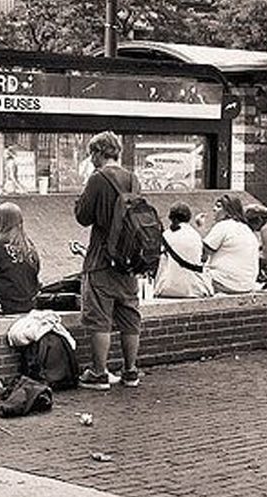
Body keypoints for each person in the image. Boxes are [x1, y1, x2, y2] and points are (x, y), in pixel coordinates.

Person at [74, 131, 141, 391]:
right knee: (129, 315)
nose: (91, 158)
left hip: (101, 259)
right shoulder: (133, 178)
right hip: (129, 261)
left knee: (100, 316)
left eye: (92, 153)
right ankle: (130, 371)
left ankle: (99, 373)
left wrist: (79, 202)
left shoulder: (98, 178)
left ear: (99, 152)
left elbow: (83, 217)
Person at [0, 202, 40, 314]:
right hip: (29, 305)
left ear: (2, 222)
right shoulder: (30, 246)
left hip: (5, 306)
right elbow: (35, 272)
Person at [202, 194, 260, 294]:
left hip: (225, 282)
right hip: (247, 284)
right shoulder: (246, 228)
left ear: (228, 211)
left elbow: (202, 254)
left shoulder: (223, 226)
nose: (214, 209)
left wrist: (201, 227)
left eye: (219, 206)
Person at [154, 202, 213, 298]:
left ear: (172, 218)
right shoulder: (195, 235)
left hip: (168, 289)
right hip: (195, 288)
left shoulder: (166, 235)